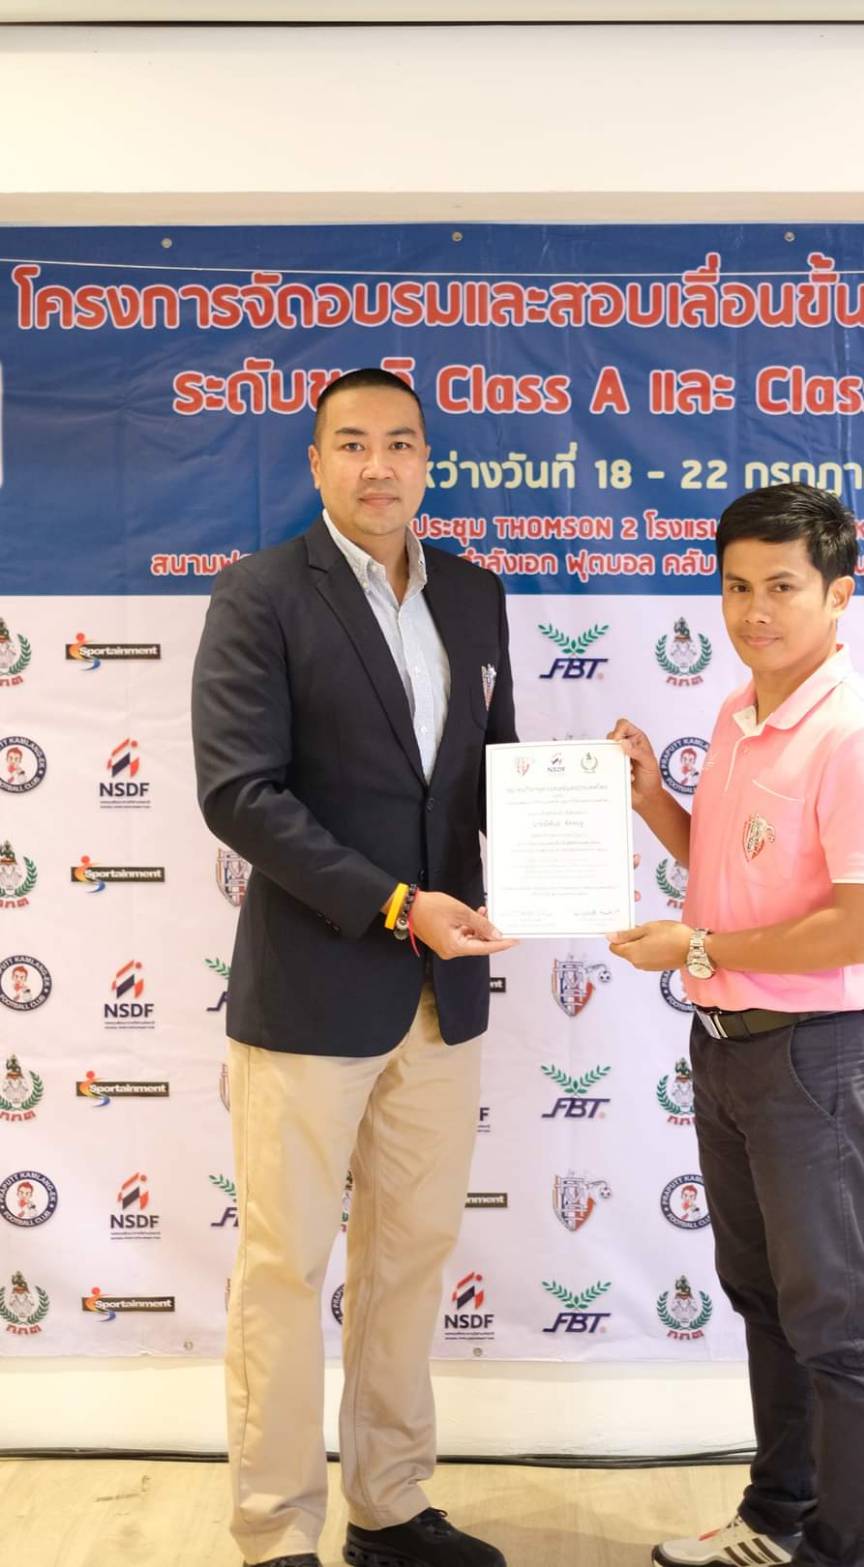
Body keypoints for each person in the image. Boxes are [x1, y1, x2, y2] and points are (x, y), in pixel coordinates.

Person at [192, 367, 516, 1567]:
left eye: (401, 443)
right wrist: (394, 905)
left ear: (428, 460)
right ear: (317, 462)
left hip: (444, 999)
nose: (379, 466)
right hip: (313, 989)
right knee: (285, 1268)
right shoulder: (263, 594)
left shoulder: (475, 595)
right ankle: (276, 1531)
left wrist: (581, 810)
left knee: (409, 1260)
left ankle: (388, 1505)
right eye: (352, 443)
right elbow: (240, 793)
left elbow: (491, 773)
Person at [607, 483, 864, 1567]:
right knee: (764, 1299)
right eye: (736, 586)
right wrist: (652, 797)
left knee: (832, 1317)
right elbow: (725, 866)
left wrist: (696, 950)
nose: (753, 610)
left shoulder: (858, 734)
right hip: (728, 1049)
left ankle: (841, 1548)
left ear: (838, 595)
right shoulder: (739, 713)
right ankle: (777, 1514)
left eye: (782, 586)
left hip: (814, 1057)